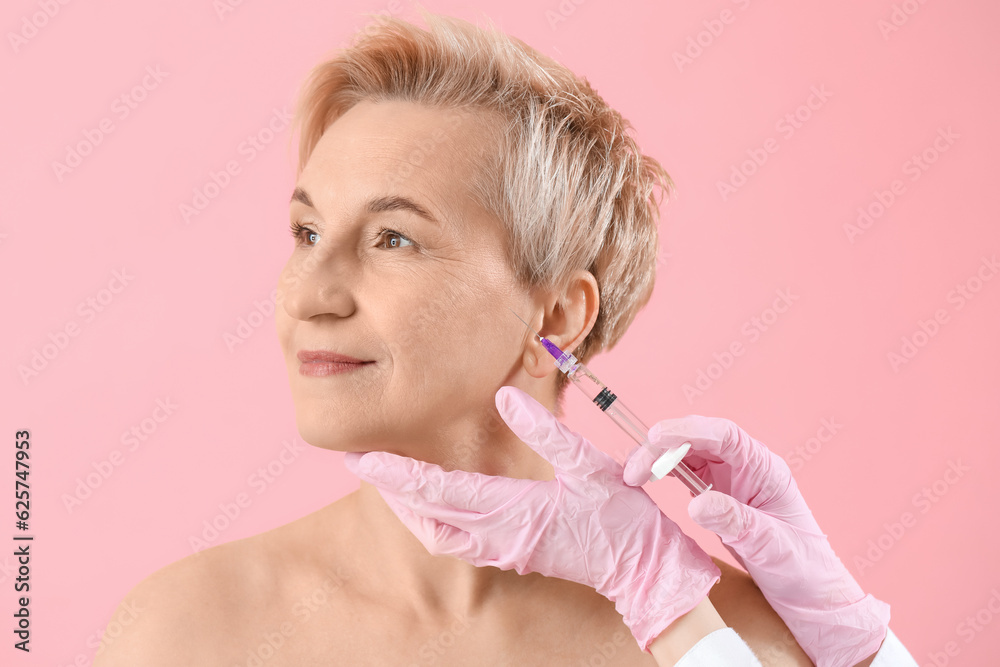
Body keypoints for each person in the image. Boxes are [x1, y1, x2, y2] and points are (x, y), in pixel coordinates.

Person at [94, 10, 916, 665]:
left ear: (556, 318)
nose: (307, 293)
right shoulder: (181, 635)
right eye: (306, 232)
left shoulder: (743, 642)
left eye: (393, 239)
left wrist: (862, 651)